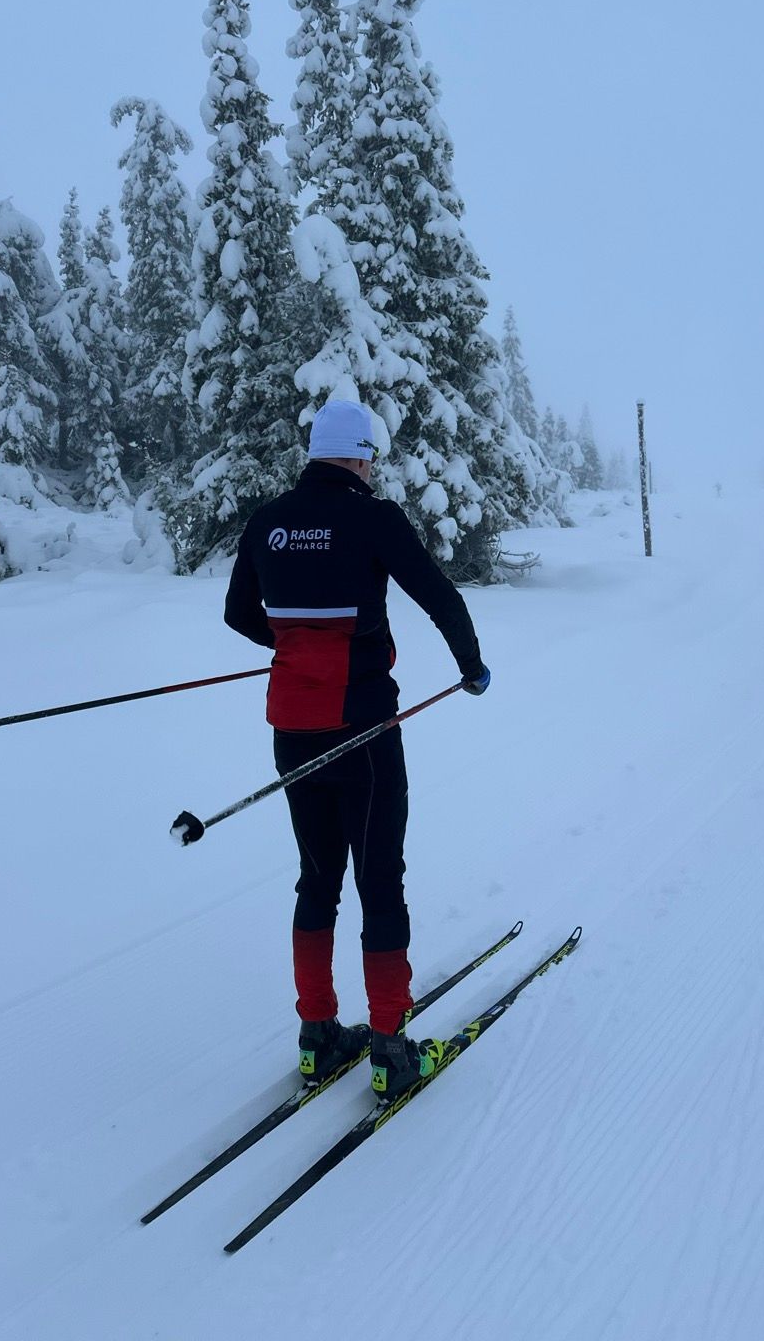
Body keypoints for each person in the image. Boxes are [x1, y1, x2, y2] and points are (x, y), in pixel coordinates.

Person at [223, 399, 491, 1104]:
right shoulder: (374, 518)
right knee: (379, 880)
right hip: (364, 732)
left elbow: (237, 613)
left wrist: (297, 647)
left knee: (317, 879)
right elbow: (439, 596)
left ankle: (317, 1036)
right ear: (361, 457)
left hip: (292, 731)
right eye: (371, 459)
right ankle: (391, 1051)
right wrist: (471, 667)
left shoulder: (268, 521)